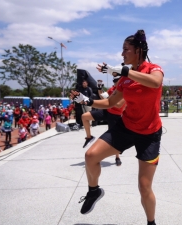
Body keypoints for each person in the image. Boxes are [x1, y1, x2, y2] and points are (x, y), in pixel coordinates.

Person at [71, 30, 163, 225]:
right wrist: (87, 101)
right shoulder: (125, 78)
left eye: (125, 49)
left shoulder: (153, 69)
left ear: (138, 50)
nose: (122, 54)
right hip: (126, 127)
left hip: (149, 134)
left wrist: (124, 71)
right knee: (90, 156)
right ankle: (94, 190)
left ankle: (151, 223)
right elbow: (111, 103)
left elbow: (155, 83)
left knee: (144, 187)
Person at [81, 76, 126, 167]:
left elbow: (117, 104)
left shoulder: (125, 91)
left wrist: (108, 96)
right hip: (106, 111)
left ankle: (117, 157)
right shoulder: (112, 89)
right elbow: (103, 98)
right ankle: (89, 137)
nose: (114, 82)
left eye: (116, 81)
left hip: (115, 115)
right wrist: (100, 89)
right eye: (113, 80)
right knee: (84, 117)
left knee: (115, 138)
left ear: (121, 81)